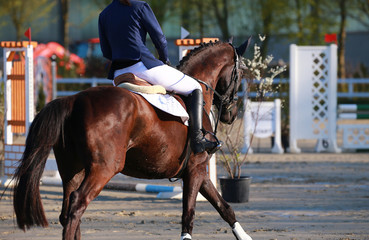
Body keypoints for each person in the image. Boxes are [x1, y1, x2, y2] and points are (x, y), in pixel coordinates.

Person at [98, 0, 219, 154]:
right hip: (142, 66)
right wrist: (164, 61)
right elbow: (160, 38)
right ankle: (197, 140)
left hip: (119, 74)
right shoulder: (140, 6)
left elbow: (106, 52)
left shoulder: (104, 14)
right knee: (195, 87)